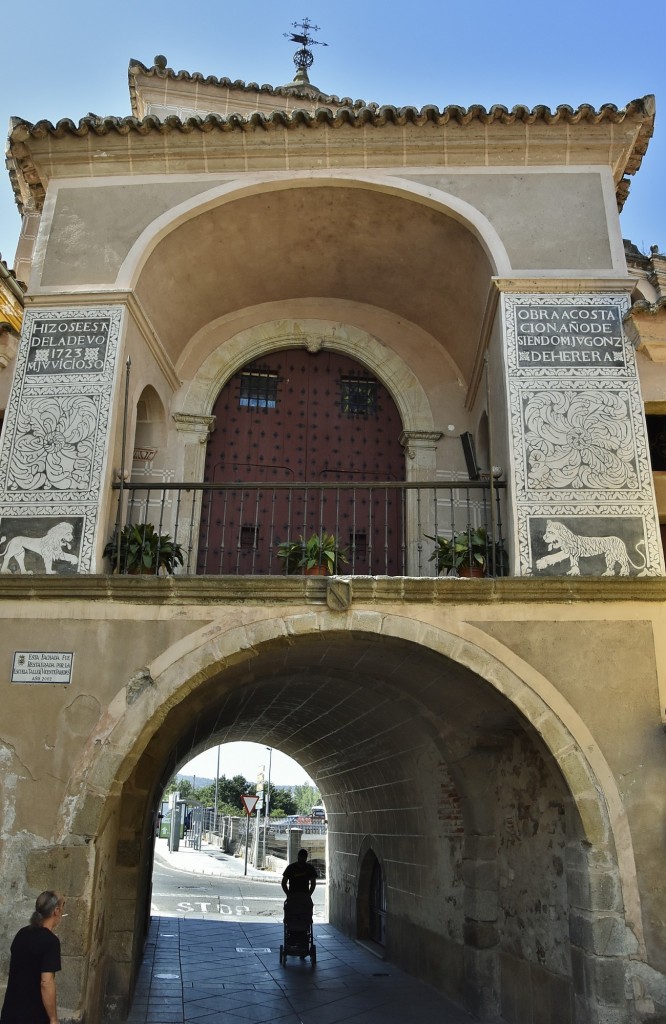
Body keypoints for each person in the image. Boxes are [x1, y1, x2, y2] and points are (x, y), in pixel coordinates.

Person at [0, 890, 65, 1024]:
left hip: (10, 1013)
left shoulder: (22, 933)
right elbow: (46, 982)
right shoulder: (51, 942)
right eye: (63, 905)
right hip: (33, 1016)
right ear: (57, 911)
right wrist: (53, 1019)